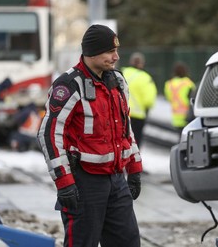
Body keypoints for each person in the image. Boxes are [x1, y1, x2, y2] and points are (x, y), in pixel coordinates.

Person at [37, 24, 142, 247]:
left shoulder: (118, 81)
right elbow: (49, 134)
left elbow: (126, 130)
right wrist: (64, 182)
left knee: (129, 242)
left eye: (116, 50)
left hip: (116, 180)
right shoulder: (68, 85)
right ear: (91, 52)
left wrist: (134, 170)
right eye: (109, 51)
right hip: (84, 183)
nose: (116, 57)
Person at [122, 52, 157, 148]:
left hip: (121, 113)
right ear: (142, 63)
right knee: (135, 141)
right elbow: (149, 100)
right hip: (138, 116)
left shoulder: (121, 73)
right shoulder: (145, 78)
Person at [164, 62, 196, 135]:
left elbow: (169, 98)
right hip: (188, 116)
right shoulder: (188, 83)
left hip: (176, 117)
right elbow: (194, 99)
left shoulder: (169, 84)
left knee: (180, 138)